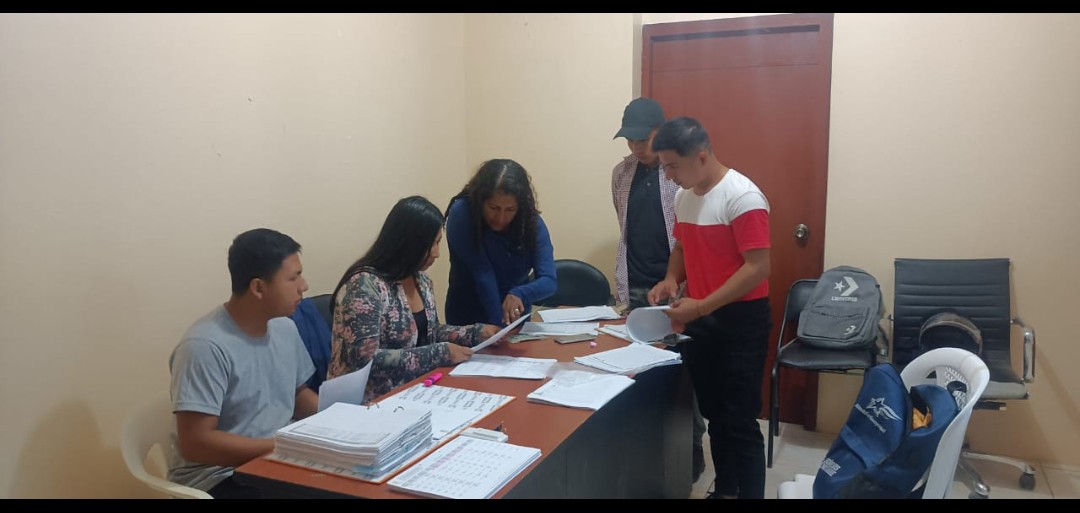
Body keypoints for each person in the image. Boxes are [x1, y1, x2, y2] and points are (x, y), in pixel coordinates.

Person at [648, 116, 772, 499]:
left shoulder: (743, 197)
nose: (669, 176)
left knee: (740, 421)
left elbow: (758, 268)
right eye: (664, 167)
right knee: (715, 415)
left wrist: (701, 307)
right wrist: (671, 279)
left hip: (741, 322)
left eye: (673, 166)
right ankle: (726, 490)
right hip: (701, 319)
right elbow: (682, 246)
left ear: (701, 156)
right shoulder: (684, 197)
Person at [169, 228, 319, 499]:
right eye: (293, 278)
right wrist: (282, 448)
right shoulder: (204, 346)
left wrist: (345, 423)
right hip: (222, 477)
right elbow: (196, 443)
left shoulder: (284, 327)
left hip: (278, 461)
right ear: (258, 287)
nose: (304, 286)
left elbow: (298, 396)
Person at [611, 97, 706, 483]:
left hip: (676, 288)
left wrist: (680, 282)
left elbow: (684, 237)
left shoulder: (677, 174)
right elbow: (625, 228)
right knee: (639, 373)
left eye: (643, 139)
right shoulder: (621, 174)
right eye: (630, 140)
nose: (636, 147)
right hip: (635, 286)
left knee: (681, 375)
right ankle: (647, 454)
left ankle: (692, 447)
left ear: (660, 132)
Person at [327, 195, 500, 403]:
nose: (436, 253)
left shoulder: (422, 281)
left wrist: (476, 333)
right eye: (431, 244)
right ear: (409, 243)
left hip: (414, 392)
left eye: (438, 242)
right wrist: (439, 353)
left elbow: (431, 332)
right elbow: (365, 360)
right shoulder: (364, 286)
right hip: (365, 403)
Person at [444, 159, 556, 326]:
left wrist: (520, 293)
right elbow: (482, 272)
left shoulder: (531, 223)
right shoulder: (462, 213)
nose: (501, 218)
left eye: (510, 210)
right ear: (480, 200)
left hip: (515, 317)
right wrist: (498, 325)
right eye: (493, 208)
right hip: (468, 315)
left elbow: (549, 281)